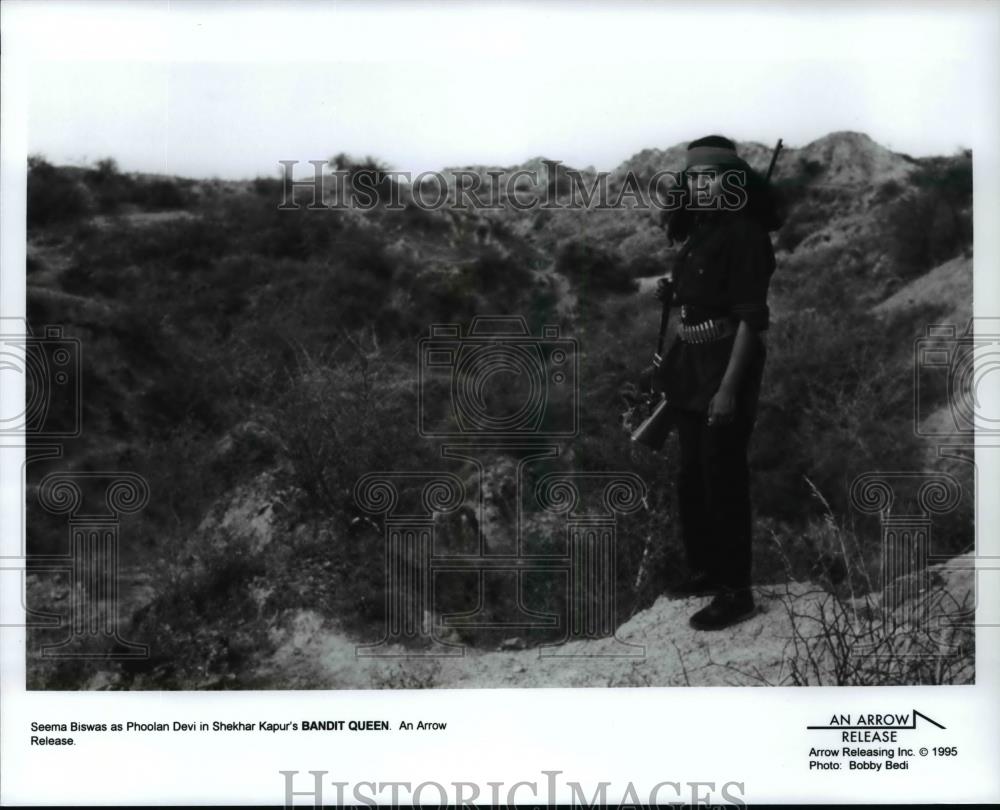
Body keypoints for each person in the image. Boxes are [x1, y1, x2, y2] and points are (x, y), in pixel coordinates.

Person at [653, 134, 781, 631]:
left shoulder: (747, 232)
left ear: (732, 180)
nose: (701, 185)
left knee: (722, 476)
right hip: (690, 363)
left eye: (711, 176)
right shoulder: (702, 228)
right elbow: (705, 292)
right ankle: (707, 572)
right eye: (694, 177)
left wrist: (729, 388)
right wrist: (675, 291)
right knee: (692, 478)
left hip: (727, 365)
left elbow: (751, 320)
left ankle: (736, 592)